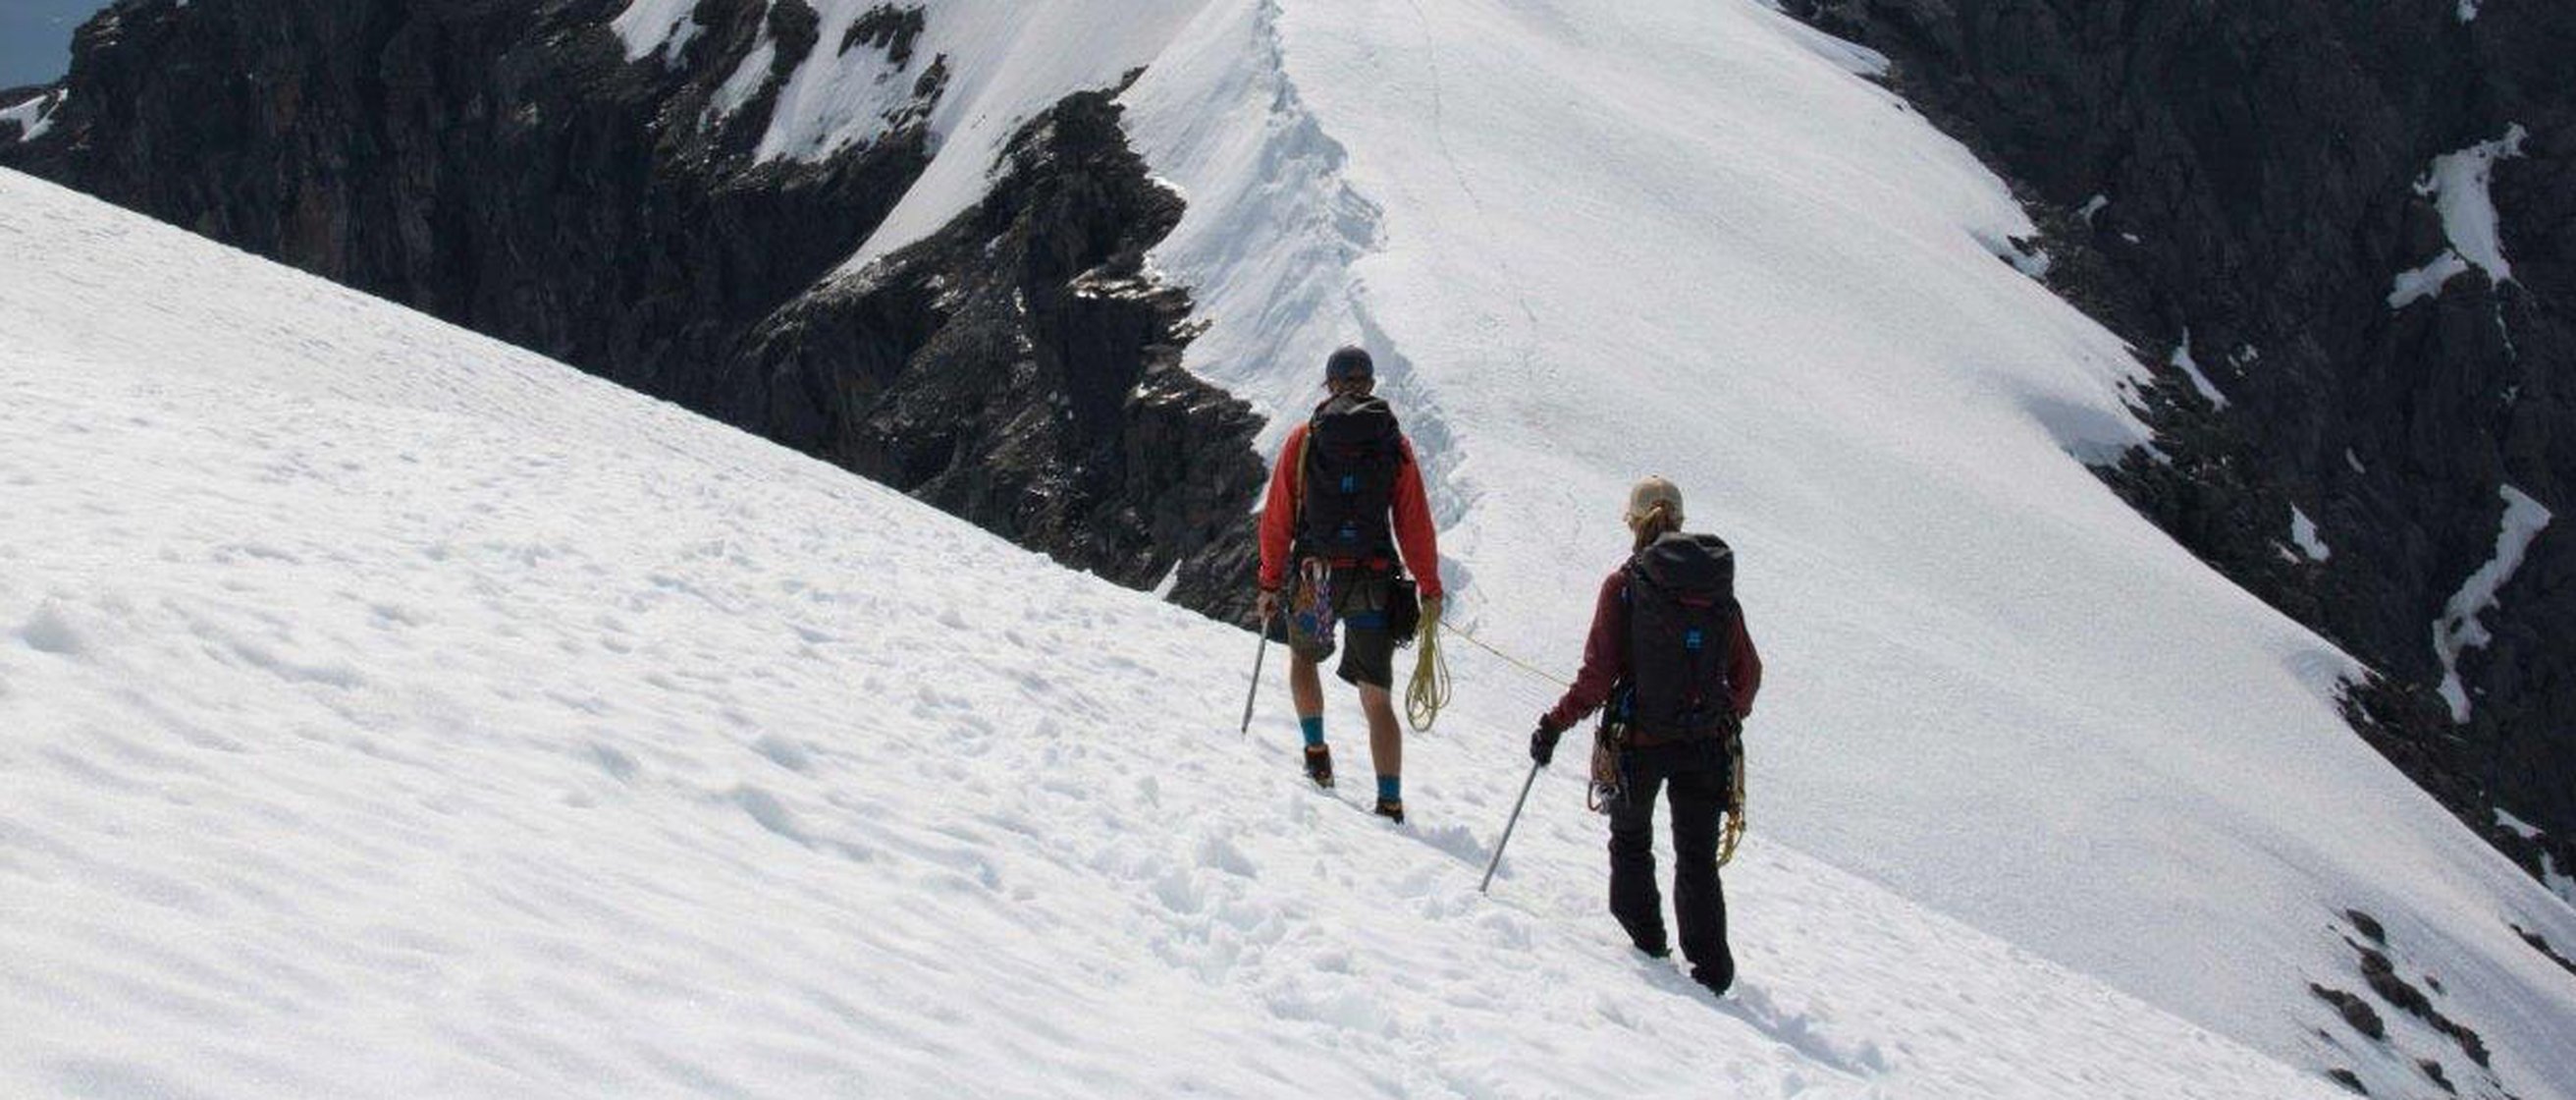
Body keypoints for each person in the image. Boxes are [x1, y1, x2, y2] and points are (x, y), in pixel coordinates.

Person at [1529, 475, 1761, 994]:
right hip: (1706, 744)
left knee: (1632, 841)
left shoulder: (1625, 584)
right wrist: (1720, 716)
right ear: (1681, 519)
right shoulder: (1716, 588)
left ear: (1633, 522)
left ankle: (1650, 946)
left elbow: (1597, 677)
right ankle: (1712, 972)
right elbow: (1748, 675)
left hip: (1639, 741)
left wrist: (1555, 723)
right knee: (1697, 858)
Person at [1255, 346, 1444, 823]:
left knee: (1303, 659)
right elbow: (1413, 522)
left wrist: (1269, 581)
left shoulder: (1305, 438)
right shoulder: (1393, 442)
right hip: (1374, 579)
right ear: (1371, 384)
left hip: (1315, 577)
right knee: (1376, 697)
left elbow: (1278, 517)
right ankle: (1390, 800)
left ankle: (1317, 754)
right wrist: (1429, 585)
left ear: (1330, 385)